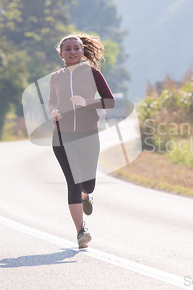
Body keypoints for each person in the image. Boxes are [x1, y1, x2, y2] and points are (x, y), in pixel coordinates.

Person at [48, 33, 115, 249]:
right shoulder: (55, 77)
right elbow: (50, 102)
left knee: (88, 184)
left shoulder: (93, 73)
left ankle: (87, 195)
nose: (72, 51)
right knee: (73, 183)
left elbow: (110, 102)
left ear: (82, 51)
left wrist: (87, 102)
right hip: (62, 136)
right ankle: (80, 231)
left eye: (76, 48)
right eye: (67, 49)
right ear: (61, 54)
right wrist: (53, 111)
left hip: (88, 135)